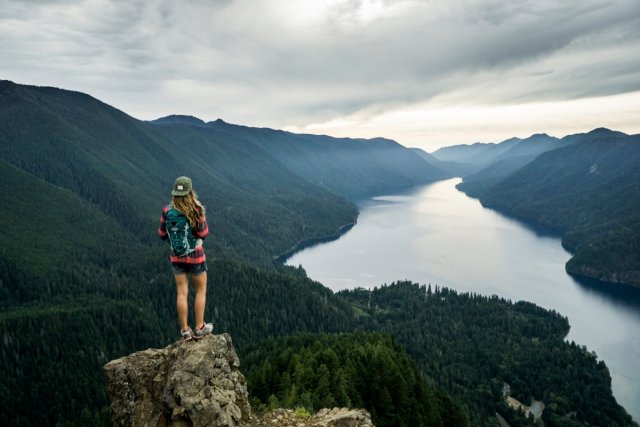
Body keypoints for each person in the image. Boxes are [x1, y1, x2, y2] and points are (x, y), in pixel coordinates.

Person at [158, 176, 213, 341]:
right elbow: (203, 233)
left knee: (181, 292)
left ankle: (185, 331)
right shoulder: (197, 210)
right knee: (200, 291)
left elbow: (162, 234)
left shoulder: (167, 211)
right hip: (196, 258)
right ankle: (200, 327)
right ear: (190, 192)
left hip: (176, 258)